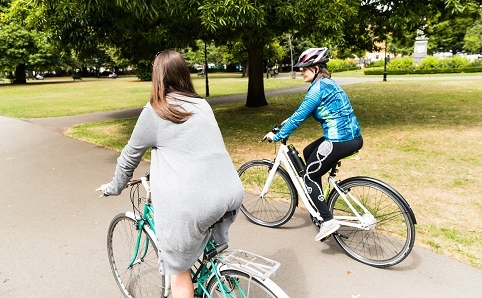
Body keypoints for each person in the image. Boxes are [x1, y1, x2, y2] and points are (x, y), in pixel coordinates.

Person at [96, 50, 244, 298]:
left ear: (157, 77)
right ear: (184, 73)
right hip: (230, 190)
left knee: (178, 272)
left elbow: (129, 157)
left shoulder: (156, 110)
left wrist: (114, 187)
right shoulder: (202, 104)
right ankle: (218, 275)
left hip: (196, 200)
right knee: (204, 239)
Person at [263, 47, 363, 242]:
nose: (302, 71)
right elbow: (300, 113)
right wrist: (284, 124)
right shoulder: (326, 84)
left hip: (340, 140)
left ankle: (328, 220)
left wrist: (277, 136)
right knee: (309, 152)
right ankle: (319, 203)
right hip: (350, 137)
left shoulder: (317, 89)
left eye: (305, 68)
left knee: (309, 176)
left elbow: (299, 117)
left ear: (316, 68)